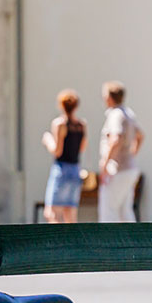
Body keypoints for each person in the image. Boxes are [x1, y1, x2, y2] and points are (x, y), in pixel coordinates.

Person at [97, 79, 144, 223]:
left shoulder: (116, 114)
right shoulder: (128, 113)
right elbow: (140, 135)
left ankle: (108, 245)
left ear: (109, 97)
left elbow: (115, 139)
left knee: (108, 211)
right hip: (129, 168)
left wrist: (105, 164)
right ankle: (132, 244)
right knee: (125, 212)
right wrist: (132, 153)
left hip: (117, 170)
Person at [39, 89, 86, 224]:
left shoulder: (60, 124)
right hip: (75, 169)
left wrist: (48, 140)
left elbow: (57, 151)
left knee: (52, 213)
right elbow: (82, 147)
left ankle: (56, 244)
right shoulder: (81, 125)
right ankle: (72, 244)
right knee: (70, 215)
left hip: (62, 169)